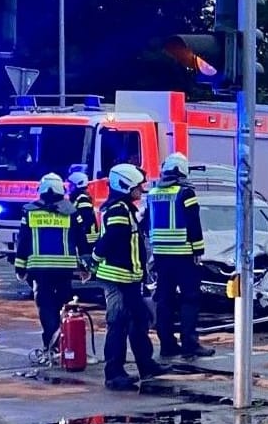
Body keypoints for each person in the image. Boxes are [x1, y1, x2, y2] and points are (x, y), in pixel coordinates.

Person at [92, 163, 171, 391]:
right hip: (118, 278)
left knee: (139, 321)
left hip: (129, 278)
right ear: (125, 186)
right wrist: (95, 259)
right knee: (118, 324)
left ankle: (146, 365)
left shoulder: (125, 208)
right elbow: (113, 239)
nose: (141, 190)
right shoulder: (118, 209)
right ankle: (114, 374)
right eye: (138, 186)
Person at [146, 152, 214, 359]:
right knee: (189, 299)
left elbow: (148, 222)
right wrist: (198, 250)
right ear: (182, 170)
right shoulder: (186, 193)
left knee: (164, 299)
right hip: (184, 255)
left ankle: (167, 344)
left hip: (160, 256)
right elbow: (194, 222)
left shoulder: (152, 192)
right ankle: (189, 343)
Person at [14, 173, 91, 354]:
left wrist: (20, 266)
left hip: (39, 269)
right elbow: (82, 240)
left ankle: (52, 342)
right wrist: (86, 266)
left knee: (45, 304)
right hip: (64, 268)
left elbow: (23, 241)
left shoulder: (30, 211)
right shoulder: (71, 212)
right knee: (62, 303)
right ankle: (62, 341)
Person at [67, 172, 99, 248]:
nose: (68, 187)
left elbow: (85, 220)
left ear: (77, 185)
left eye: (71, 185)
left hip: (87, 239)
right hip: (85, 238)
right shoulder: (79, 197)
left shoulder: (82, 199)